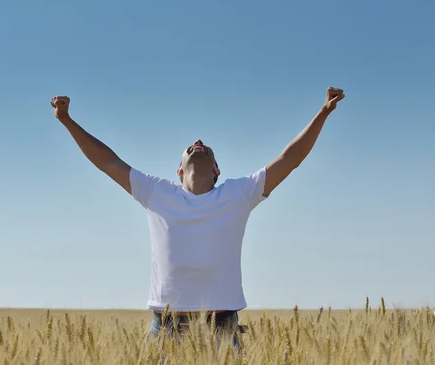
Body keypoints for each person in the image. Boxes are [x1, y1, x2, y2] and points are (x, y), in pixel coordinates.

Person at [50, 87, 346, 348]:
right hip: (165, 325)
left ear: (217, 170)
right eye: (190, 147)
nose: (198, 140)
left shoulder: (238, 193)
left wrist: (323, 112)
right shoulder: (156, 191)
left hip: (222, 325)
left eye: (208, 149)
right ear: (178, 171)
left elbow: (289, 159)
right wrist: (66, 120)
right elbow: (107, 161)